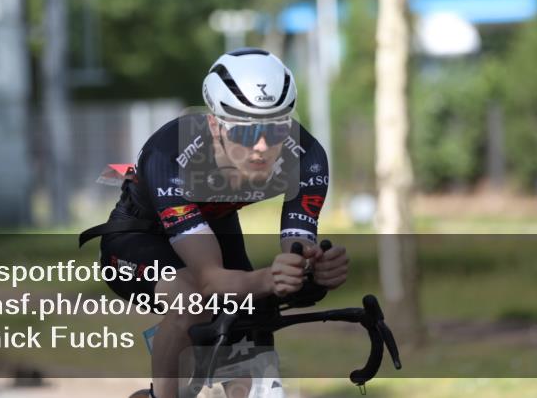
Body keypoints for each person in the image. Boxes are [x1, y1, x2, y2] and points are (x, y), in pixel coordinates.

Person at [80, 48, 349, 398]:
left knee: (255, 309)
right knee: (192, 301)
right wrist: (270, 277)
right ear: (214, 124)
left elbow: (297, 248)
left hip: (215, 226)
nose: (262, 147)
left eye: (276, 129)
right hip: (139, 237)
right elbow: (209, 279)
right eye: (245, 132)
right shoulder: (170, 153)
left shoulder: (307, 155)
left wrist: (312, 269)